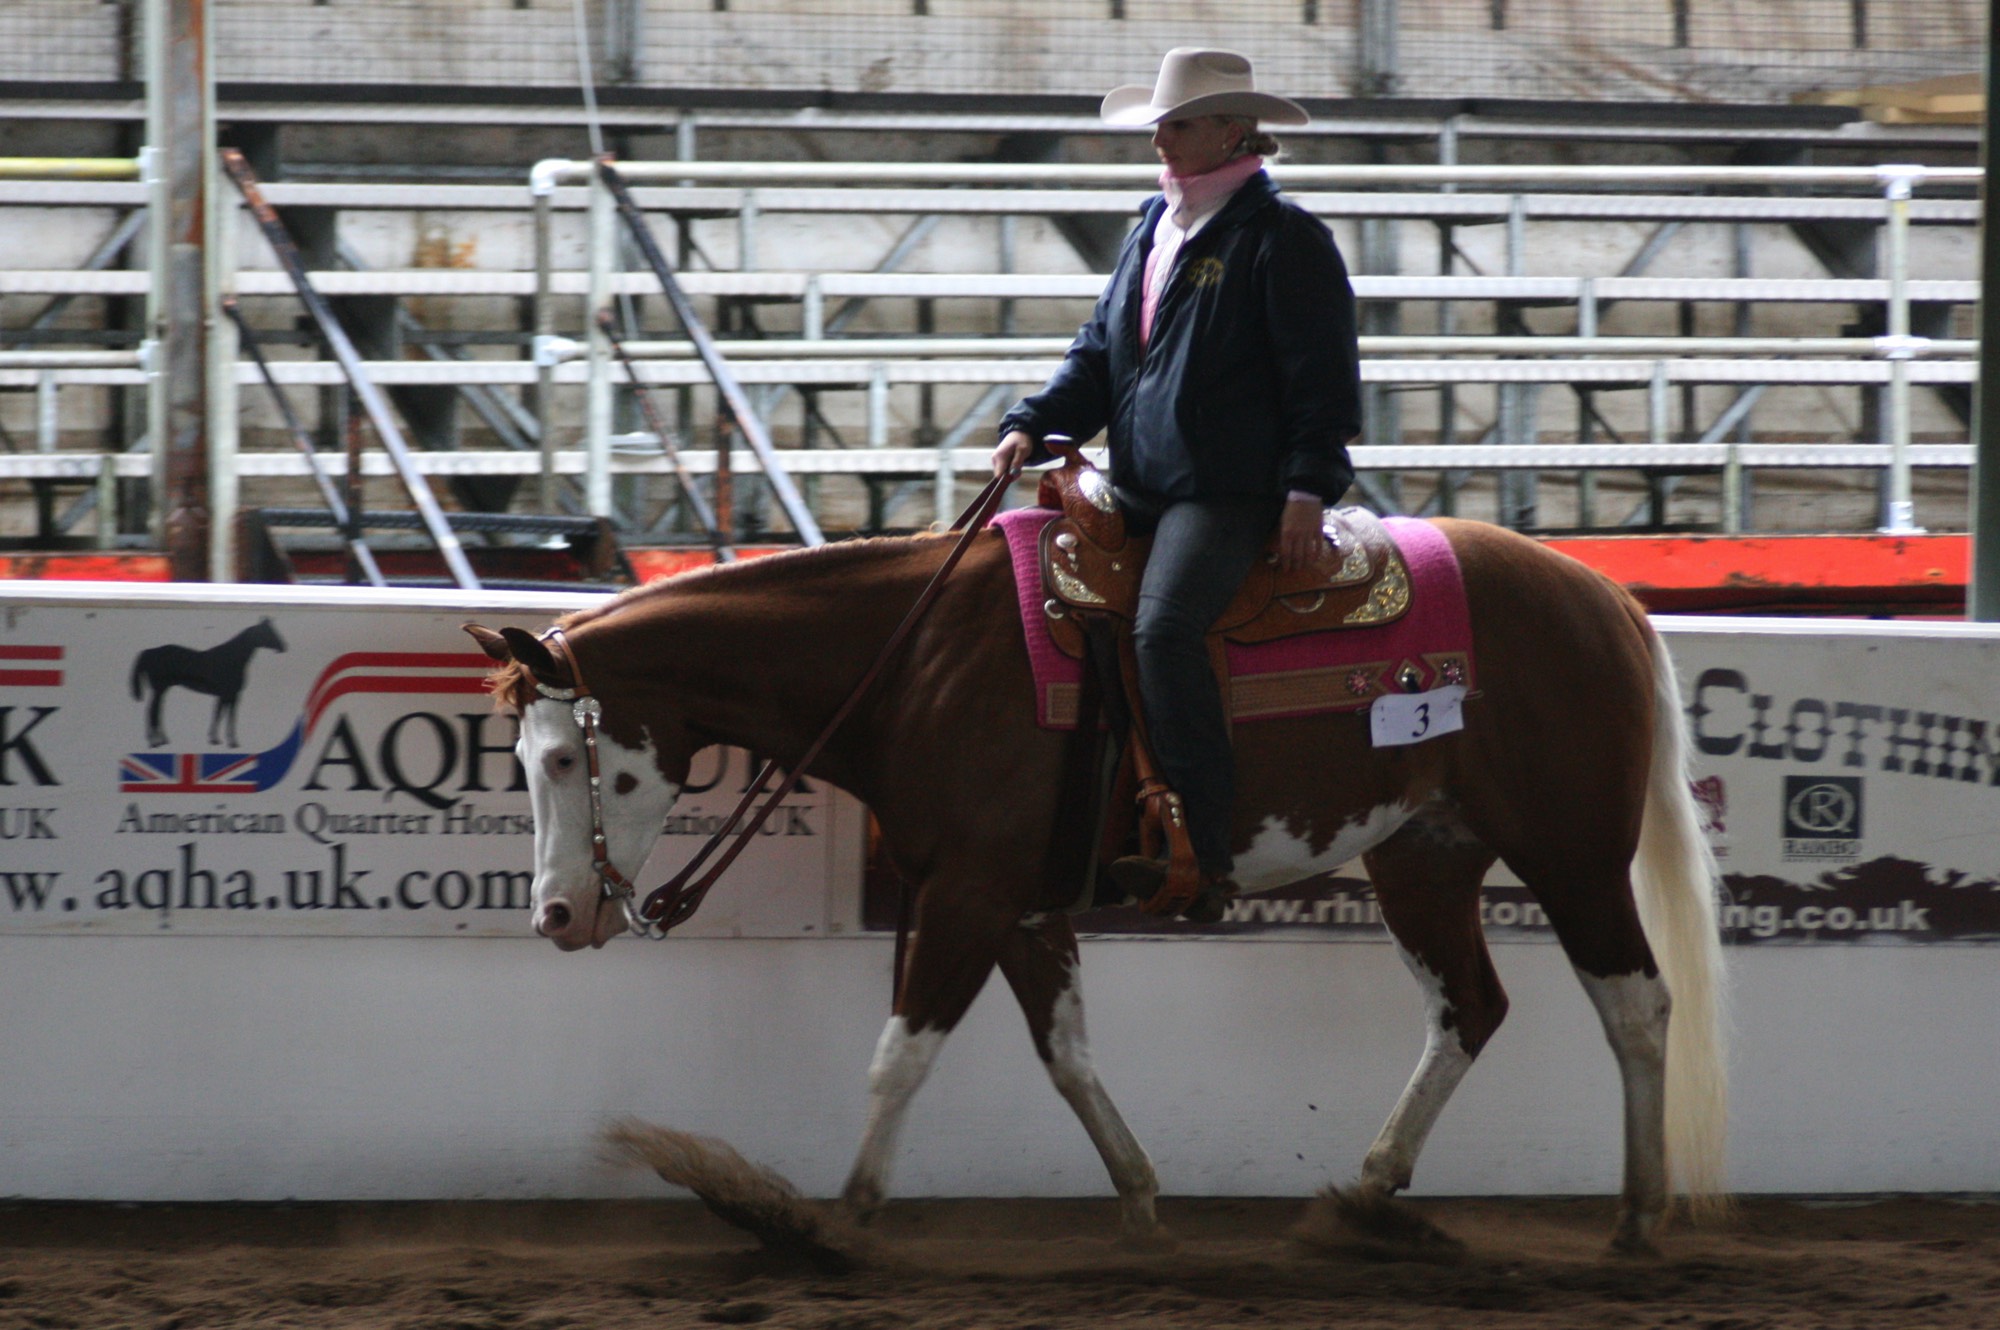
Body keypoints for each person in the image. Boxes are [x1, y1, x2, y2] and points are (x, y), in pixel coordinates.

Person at [992, 47, 1361, 906]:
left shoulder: (1283, 237)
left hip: (1227, 489)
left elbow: (1323, 375)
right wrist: (1034, 423)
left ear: (1233, 131)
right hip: (1145, 479)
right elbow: (1101, 351)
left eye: (1180, 122)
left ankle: (1207, 839)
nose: (1161, 135)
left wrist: (1306, 488)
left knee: (1163, 630)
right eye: (1160, 121)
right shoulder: (1154, 229)